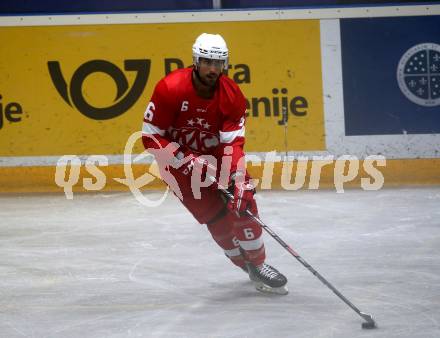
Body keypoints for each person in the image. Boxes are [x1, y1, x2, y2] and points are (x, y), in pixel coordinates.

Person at [141, 33, 288, 295]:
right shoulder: (170, 88)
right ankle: (245, 265)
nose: (212, 69)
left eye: (218, 63)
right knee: (217, 220)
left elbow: (232, 145)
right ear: (196, 61)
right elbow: (150, 137)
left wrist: (236, 176)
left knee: (243, 204)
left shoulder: (231, 96)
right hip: (179, 168)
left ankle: (259, 264)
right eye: (207, 62)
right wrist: (184, 160)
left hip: (217, 160)